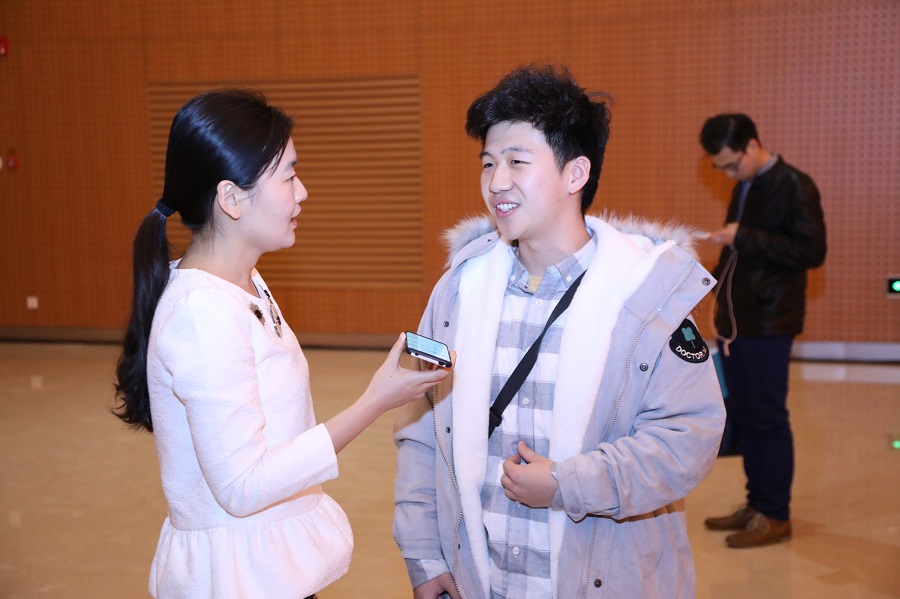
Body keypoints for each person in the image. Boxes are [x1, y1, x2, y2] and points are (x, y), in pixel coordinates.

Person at [393, 65, 725, 599]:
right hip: (482, 580)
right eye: (488, 163)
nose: (496, 182)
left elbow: (687, 438)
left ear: (575, 174)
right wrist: (424, 556)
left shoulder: (646, 298)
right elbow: (421, 430)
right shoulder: (458, 291)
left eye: (517, 162)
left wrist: (568, 484)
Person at [113, 89, 451, 599]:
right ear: (231, 199)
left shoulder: (244, 282)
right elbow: (243, 486)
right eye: (289, 176)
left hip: (266, 570)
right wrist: (375, 401)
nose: (303, 192)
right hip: (237, 581)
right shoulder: (203, 313)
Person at [699, 113, 826, 548]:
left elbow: (812, 250)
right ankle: (756, 504)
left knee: (768, 418)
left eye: (732, 164)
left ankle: (775, 514)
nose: (729, 174)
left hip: (770, 322)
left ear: (752, 146)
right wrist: (713, 286)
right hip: (738, 321)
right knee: (746, 414)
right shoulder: (746, 184)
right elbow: (739, 248)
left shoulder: (795, 185)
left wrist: (744, 236)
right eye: (721, 168)